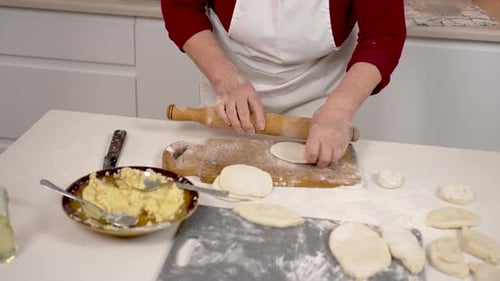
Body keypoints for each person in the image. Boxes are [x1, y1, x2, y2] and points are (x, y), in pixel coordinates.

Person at [161, 0, 406, 167]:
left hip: (319, 97)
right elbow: (180, 7)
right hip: (228, 88)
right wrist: (224, 78)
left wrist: (341, 108)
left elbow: (383, 35)